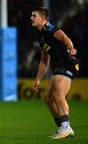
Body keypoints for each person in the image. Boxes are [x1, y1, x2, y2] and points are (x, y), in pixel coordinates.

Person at [30, 7, 79, 139]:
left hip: (66, 63)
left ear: (43, 18)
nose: (31, 18)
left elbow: (63, 36)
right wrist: (38, 79)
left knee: (58, 94)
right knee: (48, 98)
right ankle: (62, 127)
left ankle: (66, 127)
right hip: (58, 66)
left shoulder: (50, 29)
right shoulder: (41, 36)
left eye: (34, 16)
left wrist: (71, 47)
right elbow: (44, 61)